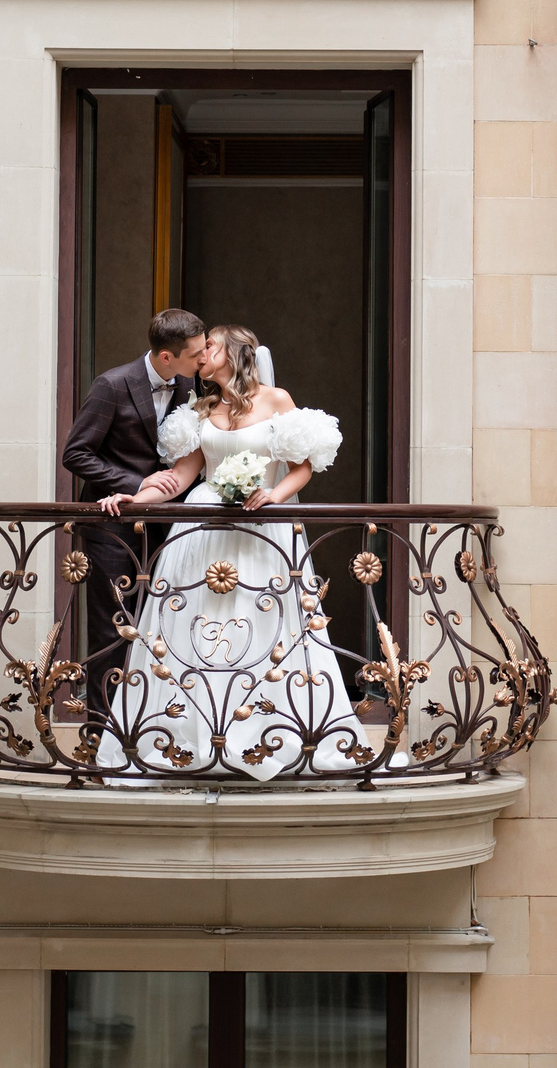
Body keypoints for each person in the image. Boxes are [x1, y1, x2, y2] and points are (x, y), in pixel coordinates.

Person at [91, 323, 371, 780]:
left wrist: (275, 495)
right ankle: (188, 738)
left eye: (210, 346)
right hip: (201, 530)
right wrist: (134, 498)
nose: (201, 353)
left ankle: (265, 735)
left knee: (261, 622)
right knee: (193, 626)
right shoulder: (200, 409)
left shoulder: (276, 400)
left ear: (236, 353)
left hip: (261, 526)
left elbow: (303, 467)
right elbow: (180, 478)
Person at [60, 308, 209, 724]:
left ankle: (152, 725)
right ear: (166, 356)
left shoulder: (190, 384)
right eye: (195, 353)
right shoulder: (112, 385)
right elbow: (76, 454)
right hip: (114, 527)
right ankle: (101, 731)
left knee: (164, 625)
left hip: (168, 528)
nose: (203, 359)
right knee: (111, 628)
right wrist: (138, 483)